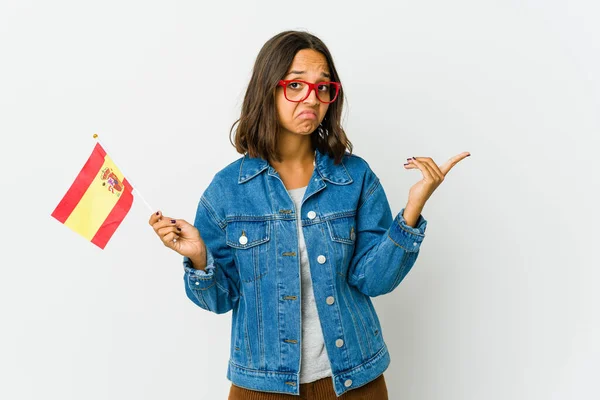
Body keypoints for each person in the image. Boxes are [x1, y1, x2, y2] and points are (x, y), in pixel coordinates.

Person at [149, 30, 469, 399]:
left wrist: (412, 211)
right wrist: (199, 258)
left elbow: (373, 281)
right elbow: (219, 300)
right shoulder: (228, 190)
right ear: (268, 89)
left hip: (355, 381)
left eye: (322, 88)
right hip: (262, 386)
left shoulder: (355, 178)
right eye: (296, 85)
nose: (311, 98)